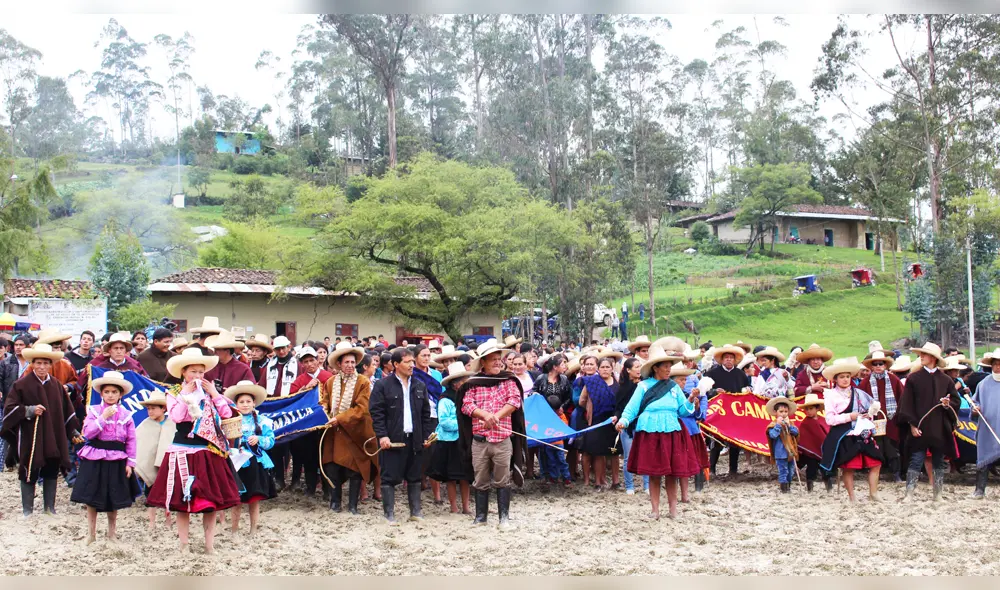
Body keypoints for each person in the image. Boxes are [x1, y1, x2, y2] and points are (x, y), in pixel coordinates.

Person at [145, 347, 241, 554]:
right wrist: (185, 396)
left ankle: (209, 545)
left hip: (208, 450)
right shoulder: (173, 393)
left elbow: (225, 413)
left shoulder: (209, 392)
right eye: (193, 372)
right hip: (183, 449)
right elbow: (178, 417)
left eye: (201, 372)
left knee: (212, 501)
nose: (197, 376)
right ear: (183, 372)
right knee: (182, 501)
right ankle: (184, 544)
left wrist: (215, 394)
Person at [615, 345, 699, 520]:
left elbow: (682, 411)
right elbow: (632, 408)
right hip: (650, 432)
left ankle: (673, 510)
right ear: (655, 368)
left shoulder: (674, 388)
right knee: (654, 473)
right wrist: (624, 420)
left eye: (670, 366)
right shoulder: (644, 386)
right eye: (665, 366)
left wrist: (690, 399)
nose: (669, 370)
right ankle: (655, 510)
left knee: (672, 473)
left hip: (671, 431)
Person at [2, 343, 81, 516]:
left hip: (53, 434)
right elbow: (9, 409)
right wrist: (28, 410)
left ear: (51, 364)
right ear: (32, 363)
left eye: (46, 363)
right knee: (29, 468)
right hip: (31, 434)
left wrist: (72, 431)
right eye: (38, 363)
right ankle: (27, 510)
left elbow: (67, 411)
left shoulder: (57, 385)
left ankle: (49, 509)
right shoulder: (21, 384)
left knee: (51, 467)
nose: (42, 367)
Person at [457, 339, 526, 527]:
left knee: (503, 478)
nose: (498, 362)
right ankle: (481, 517)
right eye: (493, 359)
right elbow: (466, 405)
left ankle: (504, 517)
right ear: (484, 362)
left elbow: (514, 401)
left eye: (499, 359)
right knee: (480, 479)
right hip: (479, 440)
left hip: (502, 439)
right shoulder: (472, 383)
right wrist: (484, 415)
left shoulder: (509, 381)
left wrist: (495, 416)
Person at [71, 370, 140, 543]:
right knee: (91, 497)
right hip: (95, 457)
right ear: (101, 393)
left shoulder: (126, 415)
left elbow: (131, 440)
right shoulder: (94, 411)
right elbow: (88, 433)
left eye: (114, 392)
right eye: (107, 392)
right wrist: (103, 418)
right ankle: (91, 534)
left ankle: (112, 533)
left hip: (117, 457)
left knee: (113, 497)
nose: (110, 395)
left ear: (120, 394)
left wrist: (130, 463)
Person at [369, 347, 435, 523]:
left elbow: (426, 415)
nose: (412, 365)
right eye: (408, 362)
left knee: (414, 476)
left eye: (413, 361)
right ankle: (389, 514)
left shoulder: (420, 385)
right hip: (392, 439)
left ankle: (415, 512)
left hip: (415, 438)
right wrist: (382, 435)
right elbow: (377, 413)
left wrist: (426, 435)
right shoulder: (383, 385)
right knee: (389, 477)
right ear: (396, 364)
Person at [897, 342, 961, 502]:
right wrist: (912, 424)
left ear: (932, 358)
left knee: (939, 460)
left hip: (939, 427)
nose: (921, 357)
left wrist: (948, 404)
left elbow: (955, 400)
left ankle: (938, 494)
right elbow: (906, 404)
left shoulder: (946, 380)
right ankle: (909, 494)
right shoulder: (913, 378)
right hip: (920, 427)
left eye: (924, 354)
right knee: (916, 459)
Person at [320, 340, 377, 514]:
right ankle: (335, 502)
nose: (351, 365)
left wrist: (340, 418)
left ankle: (353, 505)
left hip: (355, 432)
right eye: (347, 362)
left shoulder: (363, 382)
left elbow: (362, 408)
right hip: (334, 432)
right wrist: (325, 413)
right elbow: (324, 401)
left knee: (355, 468)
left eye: (353, 362)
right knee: (332, 467)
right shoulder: (330, 382)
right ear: (339, 364)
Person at [820, 357, 883, 503]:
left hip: (862, 432)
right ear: (836, 379)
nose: (845, 379)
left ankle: (873, 493)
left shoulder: (859, 393)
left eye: (847, 376)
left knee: (876, 462)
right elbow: (830, 419)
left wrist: (869, 415)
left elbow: (871, 408)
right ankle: (852, 497)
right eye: (842, 377)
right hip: (844, 434)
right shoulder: (830, 395)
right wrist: (850, 416)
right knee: (849, 467)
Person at [225, 381, 276, 535]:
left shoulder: (262, 421)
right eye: (242, 402)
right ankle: (234, 529)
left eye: (248, 401)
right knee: (237, 499)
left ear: (254, 403)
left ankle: (253, 529)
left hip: (255, 462)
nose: (245, 405)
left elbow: (271, 441)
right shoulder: (230, 420)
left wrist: (258, 439)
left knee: (254, 498)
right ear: (236, 404)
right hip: (237, 462)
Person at [428, 361, 476, 514]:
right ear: (455, 384)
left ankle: (466, 506)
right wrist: (463, 423)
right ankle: (454, 507)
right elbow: (444, 422)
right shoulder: (445, 399)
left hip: (463, 441)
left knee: (465, 476)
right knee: (450, 477)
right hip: (449, 442)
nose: (466, 383)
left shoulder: (468, 397)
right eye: (463, 381)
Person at [704, 344, 752, 478]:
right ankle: (712, 469)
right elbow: (704, 391)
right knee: (716, 440)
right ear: (722, 359)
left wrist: (748, 390)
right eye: (726, 358)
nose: (729, 360)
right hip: (718, 412)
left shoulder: (740, 374)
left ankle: (733, 470)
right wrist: (714, 392)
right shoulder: (712, 373)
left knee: (734, 441)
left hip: (735, 413)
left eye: (731, 358)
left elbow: (746, 388)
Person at [858, 351, 903, 482]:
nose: (878, 366)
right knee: (876, 446)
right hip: (872, 420)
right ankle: (876, 473)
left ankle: (896, 473)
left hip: (890, 419)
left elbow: (902, 398)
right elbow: (860, 401)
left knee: (892, 447)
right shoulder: (865, 383)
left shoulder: (894, 380)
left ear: (885, 365)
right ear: (871, 366)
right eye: (875, 364)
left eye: (881, 363)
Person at [135, 390, 175, 531]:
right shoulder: (145, 425)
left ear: (163, 408)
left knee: (168, 493)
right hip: (150, 464)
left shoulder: (172, 424)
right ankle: (151, 522)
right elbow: (139, 443)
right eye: (148, 408)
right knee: (150, 493)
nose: (150, 411)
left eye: (153, 408)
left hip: (167, 464)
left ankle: (168, 521)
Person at [578, 356, 620, 491]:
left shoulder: (618, 383)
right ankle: (598, 482)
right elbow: (581, 401)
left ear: (612, 368)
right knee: (598, 452)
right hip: (596, 421)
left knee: (614, 452)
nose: (605, 369)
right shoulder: (591, 382)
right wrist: (591, 409)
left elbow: (621, 402)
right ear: (598, 368)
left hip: (614, 422)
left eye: (608, 367)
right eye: (602, 367)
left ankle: (616, 482)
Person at [533, 354, 573, 488]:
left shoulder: (564, 379)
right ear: (555, 367)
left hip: (558, 416)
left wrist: (562, 407)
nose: (566, 366)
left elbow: (569, 397)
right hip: (543, 416)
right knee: (543, 447)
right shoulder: (541, 378)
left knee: (557, 446)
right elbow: (534, 394)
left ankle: (558, 475)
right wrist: (541, 408)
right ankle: (546, 474)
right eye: (563, 364)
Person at [671, 361, 708, 498]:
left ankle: (698, 488)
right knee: (675, 460)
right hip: (675, 429)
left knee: (696, 458)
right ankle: (675, 490)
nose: (684, 382)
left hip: (691, 429)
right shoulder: (668, 396)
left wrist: (697, 407)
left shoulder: (690, 395)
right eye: (681, 380)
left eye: (685, 379)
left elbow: (699, 416)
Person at [970, 348, 1000, 498]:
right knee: (983, 458)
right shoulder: (983, 384)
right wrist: (975, 409)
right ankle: (979, 490)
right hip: (987, 428)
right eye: (996, 364)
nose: (998, 367)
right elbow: (975, 403)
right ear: (992, 365)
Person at [76, 332, 148, 394]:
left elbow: (146, 384)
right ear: (109, 350)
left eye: (121, 348)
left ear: (126, 351)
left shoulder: (135, 367)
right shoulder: (100, 368)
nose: (119, 351)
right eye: (115, 348)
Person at [615, 357, 644, 494]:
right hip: (627, 426)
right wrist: (618, 419)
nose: (639, 369)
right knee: (628, 457)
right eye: (636, 367)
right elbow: (619, 407)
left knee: (645, 456)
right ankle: (629, 486)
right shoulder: (623, 387)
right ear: (628, 370)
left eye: (640, 366)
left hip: (643, 423)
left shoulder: (644, 385)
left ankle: (647, 485)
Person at [797, 393, 832, 492]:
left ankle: (828, 487)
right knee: (811, 468)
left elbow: (827, 434)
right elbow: (803, 438)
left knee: (825, 469)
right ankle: (810, 487)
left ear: (817, 409)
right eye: (806, 409)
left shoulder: (823, 420)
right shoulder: (805, 423)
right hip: (810, 452)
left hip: (823, 451)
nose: (808, 411)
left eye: (811, 408)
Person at [765, 396, 799, 493]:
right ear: (776, 413)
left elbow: (796, 433)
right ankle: (784, 489)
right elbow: (773, 435)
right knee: (783, 471)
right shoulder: (773, 424)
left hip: (790, 451)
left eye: (785, 411)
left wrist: (789, 427)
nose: (783, 414)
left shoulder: (790, 423)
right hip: (780, 452)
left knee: (791, 471)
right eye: (781, 411)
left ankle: (789, 486)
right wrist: (778, 426)